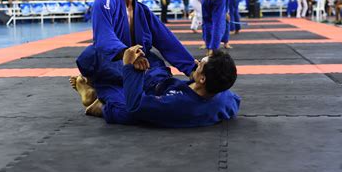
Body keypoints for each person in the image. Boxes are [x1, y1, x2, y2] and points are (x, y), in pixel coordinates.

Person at [72, 0, 197, 120]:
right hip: (113, 65)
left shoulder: (144, 11)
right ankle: (101, 104)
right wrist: (127, 53)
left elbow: (167, 41)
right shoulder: (104, 3)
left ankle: (94, 94)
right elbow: (104, 37)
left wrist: (191, 67)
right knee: (132, 110)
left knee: (172, 95)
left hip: (145, 65)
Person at [71, 46, 240, 127]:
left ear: (202, 79)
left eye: (200, 64)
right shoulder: (224, 97)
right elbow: (235, 100)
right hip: (160, 81)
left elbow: (135, 106)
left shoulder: (175, 105)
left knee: (95, 58)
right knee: (138, 47)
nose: (196, 62)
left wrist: (129, 66)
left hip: (143, 97)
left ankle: (96, 99)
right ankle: (96, 91)